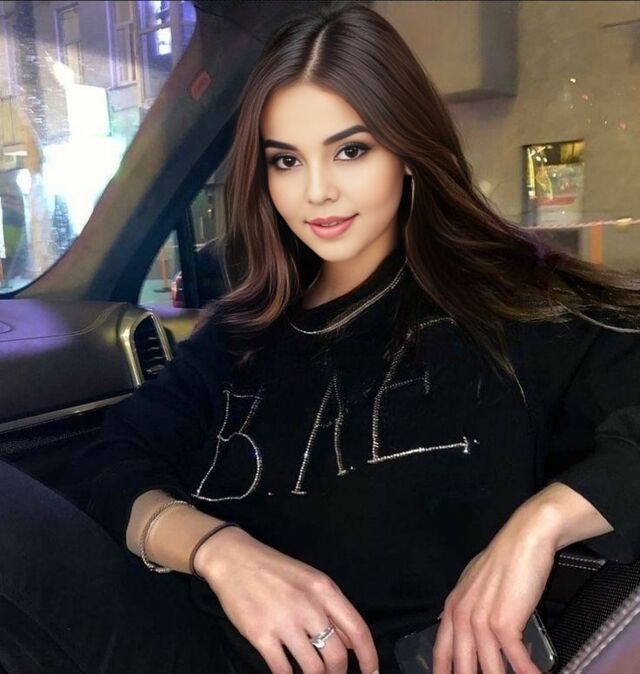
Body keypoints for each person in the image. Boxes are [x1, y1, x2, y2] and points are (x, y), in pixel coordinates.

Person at [2, 3, 640, 673]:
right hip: (173, 640)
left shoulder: (514, 307)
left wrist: (540, 525)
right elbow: (109, 465)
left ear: (408, 150)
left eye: (351, 151)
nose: (316, 192)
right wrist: (220, 552)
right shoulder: (238, 335)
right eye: (285, 160)